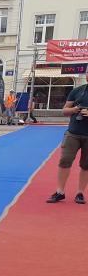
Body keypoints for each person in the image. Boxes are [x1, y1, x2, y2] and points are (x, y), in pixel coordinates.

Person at [47, 73, 88, 205]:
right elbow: (65, 110)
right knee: (65, 160)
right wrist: (75, 109)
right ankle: (60, 192)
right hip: (73, 133)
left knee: (86, 165)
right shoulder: (77, 91)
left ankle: (80, 193)